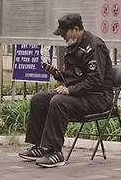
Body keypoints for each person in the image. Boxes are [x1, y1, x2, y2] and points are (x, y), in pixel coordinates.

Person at [18, 13, 113, 168]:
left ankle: (54, 151)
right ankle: (40, 147)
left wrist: (70, 90)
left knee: (59, 101)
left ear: (76, 29)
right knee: (39, 99)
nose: (62, 37)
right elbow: (73, 77)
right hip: (81, 95)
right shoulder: (74, 46)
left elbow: (95, 81)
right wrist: (57, 74)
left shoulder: (94, 47)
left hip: (99, 97)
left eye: (64, 33)